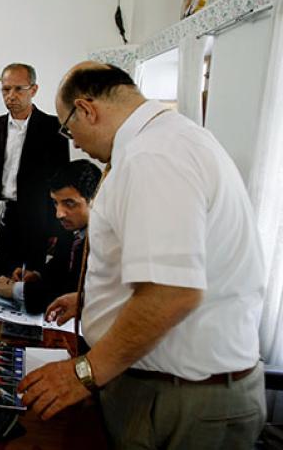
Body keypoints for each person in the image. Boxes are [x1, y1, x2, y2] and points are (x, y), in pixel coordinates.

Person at [18, 62, 266, 449]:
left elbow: (172, 293)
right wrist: (92, 301)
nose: (75, 143)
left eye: (69, 129)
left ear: (86, 109)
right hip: (166, 388)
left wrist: (82, 373)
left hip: (181, 400)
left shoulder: (154, 156)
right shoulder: (166, 140)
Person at [0, 63, 69, 277]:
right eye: (6, 89)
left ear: (33, 90)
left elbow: (61, 182)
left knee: (30, 277)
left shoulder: (53, 128)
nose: (11, 95)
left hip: (35, 216)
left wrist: (57, 226)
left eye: (18, 89)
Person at [0, 160, 101, 314]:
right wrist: (38, 275)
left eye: (69, 203)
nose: (59, 214)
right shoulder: (72, 227)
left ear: (94, 200)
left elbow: (71, 289)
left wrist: (16, 290)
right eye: (55, 203)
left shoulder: (104, 240)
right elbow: (61, 265)